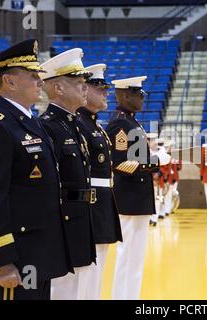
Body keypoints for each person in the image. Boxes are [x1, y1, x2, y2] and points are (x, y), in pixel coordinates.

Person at [0, 39, 71, 300]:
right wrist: (0, 260)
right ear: (10, 81)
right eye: (33, 75)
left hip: (38, 254)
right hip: (14, 259)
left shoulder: (30, 123)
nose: (40, 81)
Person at [39, 48, 96, 299]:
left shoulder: (72, 124)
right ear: (58, 89)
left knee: (74, 289)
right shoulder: (48, 126)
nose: (86, 89)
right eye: (79, 83)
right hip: (62, 223)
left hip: (79, 219)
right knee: (60, 290)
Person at [106, 76, 170, 299]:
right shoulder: (120, 124)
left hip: (138, 198)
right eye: (138, 94)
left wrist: (152, 158)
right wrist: (155, 161)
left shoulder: (132, 122)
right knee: (127, 257)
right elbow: (121, 164)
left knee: (136, 258)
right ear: (124, 95)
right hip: (129, 199)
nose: (143, 98)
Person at [76, 63, 123, 299]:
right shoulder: (78, 124)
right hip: (89, 206)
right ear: (84, 90)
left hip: (102, 204)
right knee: (85, 278)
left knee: (96, 276)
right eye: (100, 88)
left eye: (105, 88)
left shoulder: (95, 125)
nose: (106, 92)